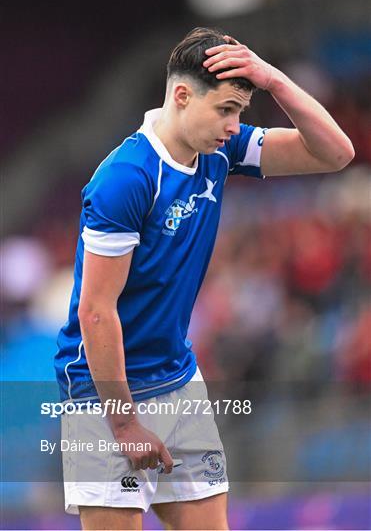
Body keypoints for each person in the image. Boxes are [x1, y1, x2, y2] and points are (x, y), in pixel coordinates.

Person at [55, 27, 354, 530]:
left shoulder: (219, 152)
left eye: (240, 112)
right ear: (181, 94)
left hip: (176, 379)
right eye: (226, 110)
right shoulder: (127, 178)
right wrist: (125, 422)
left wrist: (274, 81)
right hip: (105, 394)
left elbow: (335, 153)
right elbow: (96, 310)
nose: (235, 126)